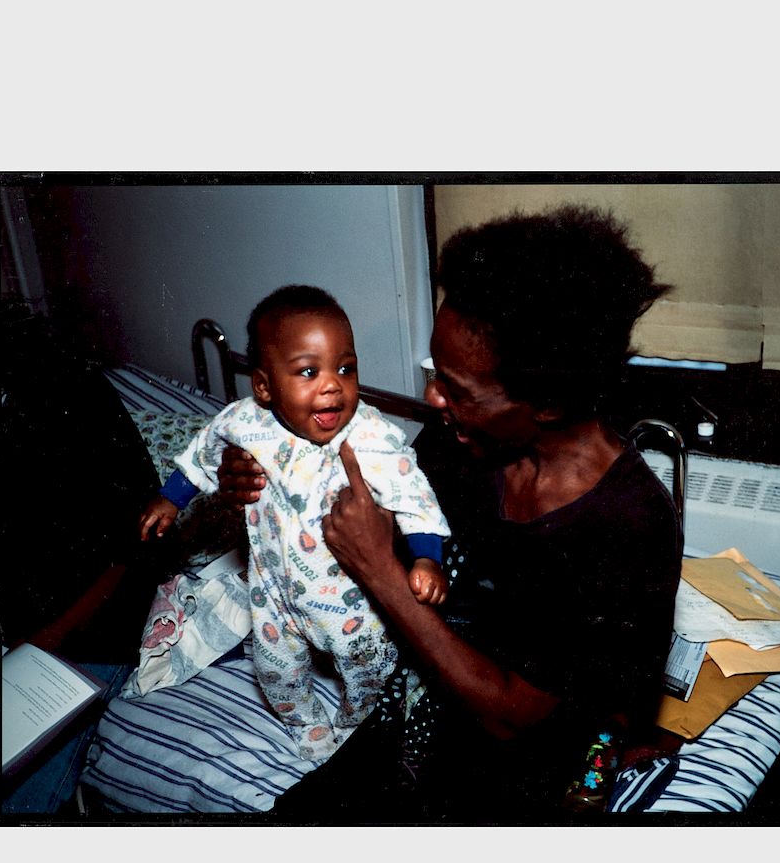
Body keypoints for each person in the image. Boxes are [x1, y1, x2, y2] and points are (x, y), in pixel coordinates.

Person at [217, 205, 684, 823]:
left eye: (457, 389)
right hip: (417, 701)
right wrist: (259, 470)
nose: (434, 398)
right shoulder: (461, 443)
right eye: (439, 375)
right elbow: (363, 510)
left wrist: (381, 570)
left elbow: (510, 718)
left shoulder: (626, 526)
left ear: (545, 402)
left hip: (513, 756)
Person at [139, 285, 450, 761]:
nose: (332, 385)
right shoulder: (245, 422)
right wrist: (169, 498)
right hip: (272, 594)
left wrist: (427, 556)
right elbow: (202, 454)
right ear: (264, 387)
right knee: (276, 670)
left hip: (348, 602)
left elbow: (414, 496)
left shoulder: (370, 436)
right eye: (309, 371)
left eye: (345, 368)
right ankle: (305, 722)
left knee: (369, 666)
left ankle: (355, 720)